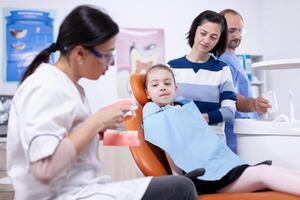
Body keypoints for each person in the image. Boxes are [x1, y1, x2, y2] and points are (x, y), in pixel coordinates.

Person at [6, 5, 198, 200]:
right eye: (107, 54)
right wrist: (96, 121)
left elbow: (74, 140)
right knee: (180, 188)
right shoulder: (45, 87)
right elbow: (44, 169)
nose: (112, 62)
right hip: (60, 195)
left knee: (183, 185)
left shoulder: (68, 88)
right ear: (79, 53)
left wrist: (128, 136)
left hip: (80, 189)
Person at [142, 64, 300, 196]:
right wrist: (179, 180)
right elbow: (169, 147)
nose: (162, 88)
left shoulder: (183, 109)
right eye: (155, 85)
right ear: (147, 93)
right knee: (264, 174)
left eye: (167, 83)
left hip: (220, 167)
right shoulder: (156, 116)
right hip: (204, 178)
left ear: (176, 89)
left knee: (273, 170)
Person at [168, 10, 236, 141]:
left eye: (213, 37)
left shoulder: (222, 69)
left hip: (212, 141)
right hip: (181, 140)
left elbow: (229, 112)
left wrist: (197, 118)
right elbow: (165, 106)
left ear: (219, 40)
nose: (206, 40)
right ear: (194, 30)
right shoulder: (171, 67)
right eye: (203, 33)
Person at [219, 9, 271, 153]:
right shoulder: (222, 60)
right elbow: (228, 97)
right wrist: (252, 105)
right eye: (232, 31)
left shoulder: (233, 57)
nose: (237, 35)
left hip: (246, 130)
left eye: (240, 31)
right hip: (235, 136)